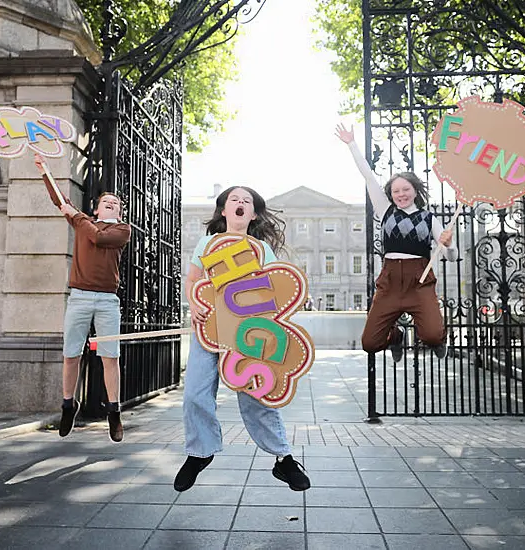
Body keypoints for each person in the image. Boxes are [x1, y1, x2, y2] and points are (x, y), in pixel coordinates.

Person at [175, 186, 311, 492]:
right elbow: (193, 280)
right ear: (224, 210)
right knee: (195, 394)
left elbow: (275, 289)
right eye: (233, 199)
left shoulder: (262, 249)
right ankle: (199, 452)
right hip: (208, 329)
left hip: (247, 335)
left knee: (257, 394)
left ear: (253, 213)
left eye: (246, 201)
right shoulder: (208, 243)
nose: (239, 203)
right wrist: (194, 303)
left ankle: (283, 458)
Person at [335, 124, 458, 363]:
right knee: (369, 343)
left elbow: (451, 256)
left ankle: (436, 339)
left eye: (406, 189)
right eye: (396, 191)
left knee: (433, 336)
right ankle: (395, 336)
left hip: (419, 282)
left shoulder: (429, 218)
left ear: (415, 190)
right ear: (390, 194)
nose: (401, 194)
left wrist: (449, 244)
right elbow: (368, 176)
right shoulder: (386, 211)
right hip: (390, 281)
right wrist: (352, 144)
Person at [34, 154, 131, 441]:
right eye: (106, 202)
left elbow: (98, 238)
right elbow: (59, 198)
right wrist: (45, 171)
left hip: (106, 301)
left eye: (116, 204)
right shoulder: (83, 220)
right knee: (70, 355)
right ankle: (68, 404)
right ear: (97, 207)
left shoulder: (121, 230)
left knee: (109, 357)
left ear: (120, 213)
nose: (111, 205)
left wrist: (75, 216)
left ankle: (113, 411)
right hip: (78, 297)